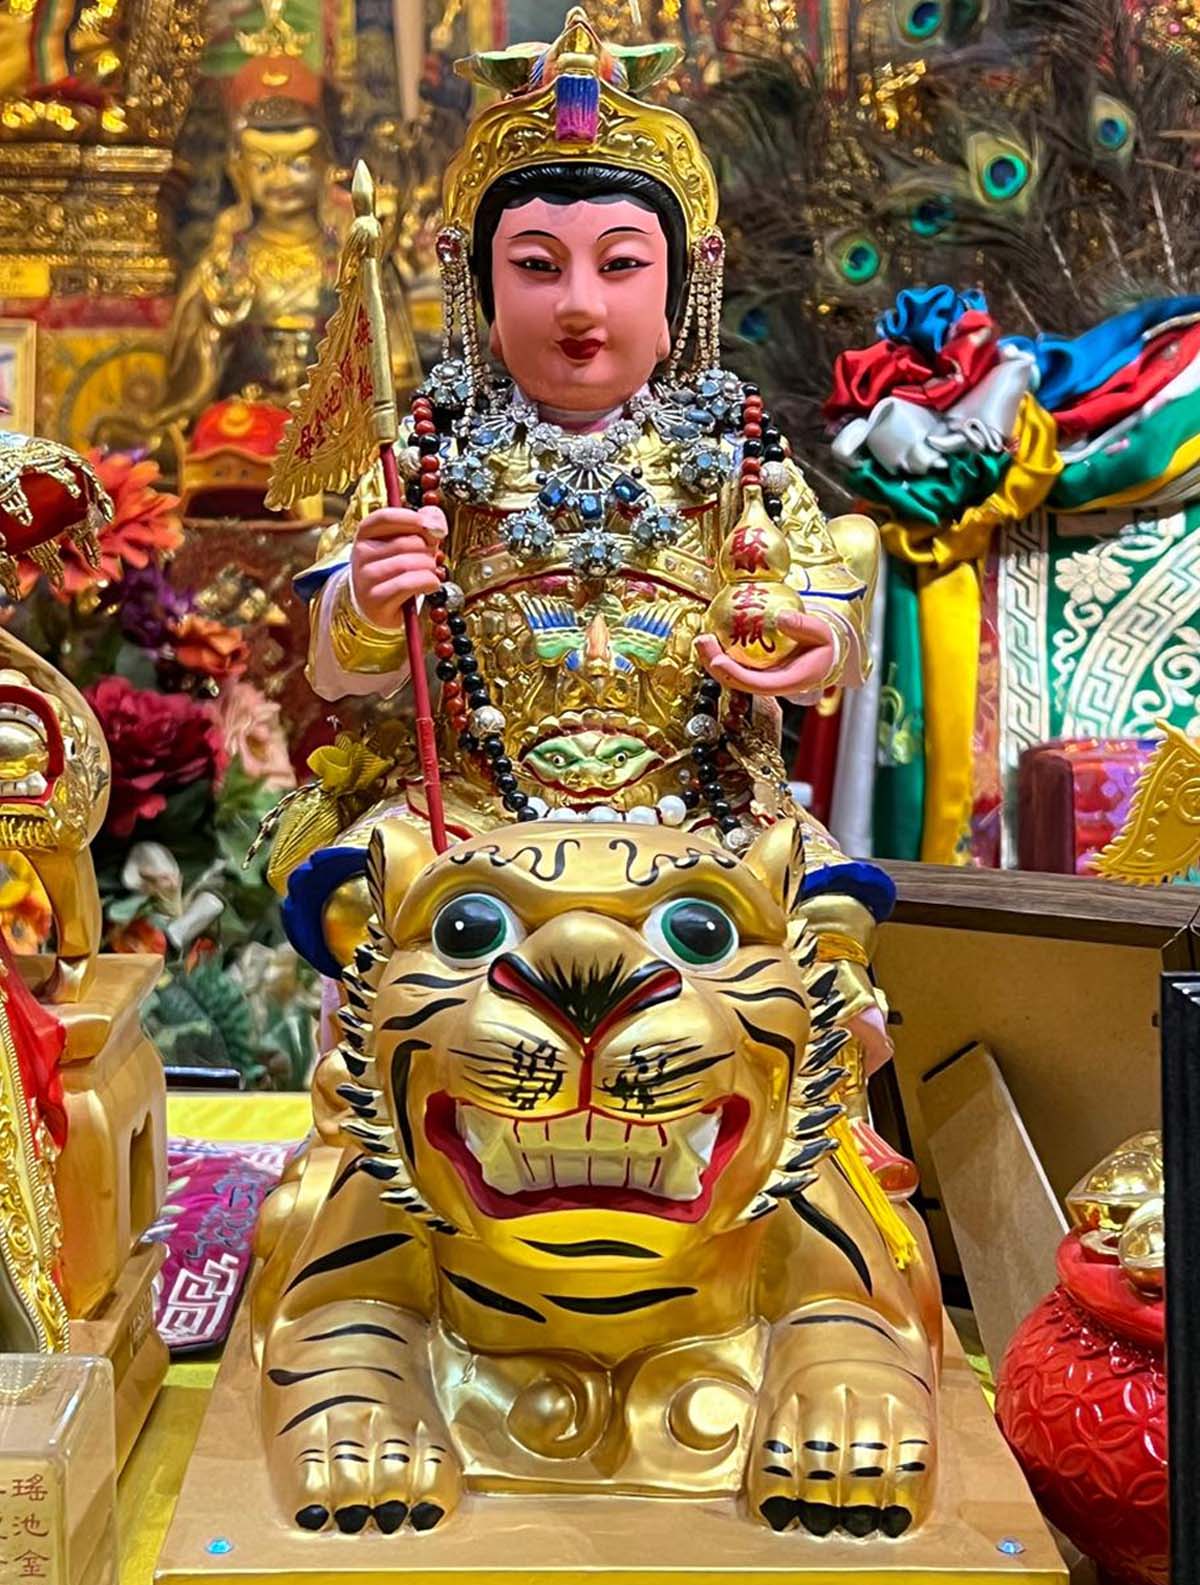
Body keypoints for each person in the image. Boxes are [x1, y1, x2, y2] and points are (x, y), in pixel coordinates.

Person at [284, 8, 892, 1074]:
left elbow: (829, 612)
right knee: (367, 917)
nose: (577, 305)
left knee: (824, 960)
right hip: (476, 819)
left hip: (699, 816)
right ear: (477, 282)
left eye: (619, 266)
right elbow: (337, 668)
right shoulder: (427, 462)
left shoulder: (739, 461)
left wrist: (811, 644)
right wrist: (371, 606)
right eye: (535, 265)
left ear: (683, 284)